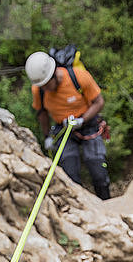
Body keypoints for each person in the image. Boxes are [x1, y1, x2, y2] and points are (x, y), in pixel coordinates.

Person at [25, 51, 111, 200]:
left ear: (53, 74)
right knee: (69, 174)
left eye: (46, 85)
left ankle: (106, 202)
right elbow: (42, 113)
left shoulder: (78, 77)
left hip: (87, 124)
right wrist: (47, 137)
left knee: (98, 170)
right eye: (42, 86)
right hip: (63, 129)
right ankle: (80, 208)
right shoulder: (38, 89)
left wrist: (82, 120)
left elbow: (99, 102)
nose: (45, 89)